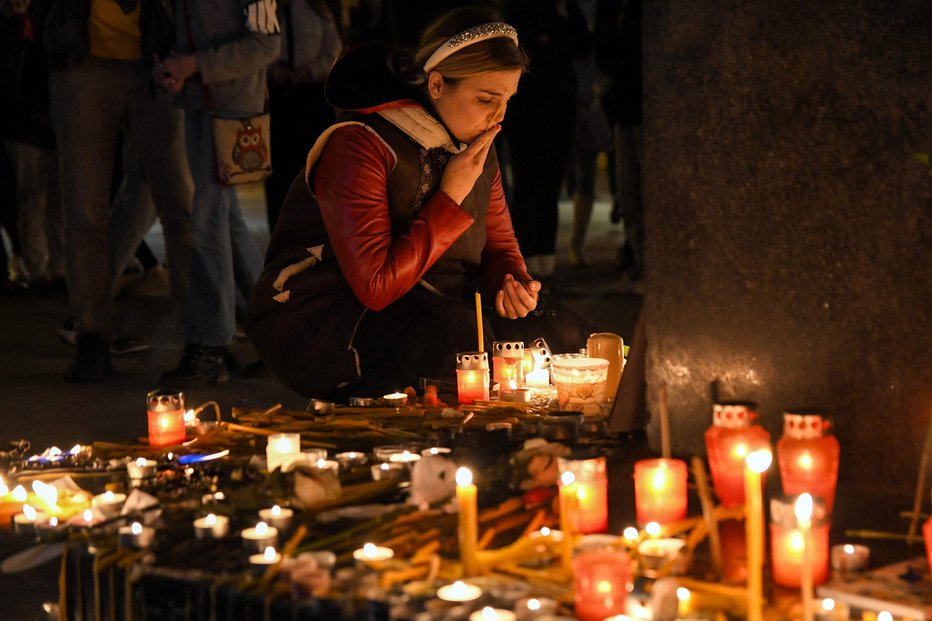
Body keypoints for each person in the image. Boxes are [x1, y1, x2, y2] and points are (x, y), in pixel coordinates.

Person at [246, 6, 590, 400]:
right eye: (485, 99)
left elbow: (499, 248)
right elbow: (376, 287)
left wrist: (512, 286)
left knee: (564, 334)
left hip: (441, 302)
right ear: (438, 84)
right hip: (335, 319)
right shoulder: (360, 145)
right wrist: (450, 196)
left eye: (508, 100)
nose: (499, 117)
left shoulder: (477, 144)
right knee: (457, 345)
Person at [34, 0, 194, 382]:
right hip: (81, 58)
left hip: (156, 57)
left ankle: (202, 335)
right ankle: (92, 335)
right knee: (83, 211)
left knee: (180, 207)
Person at [155, 0, 281, 386]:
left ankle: (211, 345)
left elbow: (266, 44)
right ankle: (275, 334)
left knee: (210, 222)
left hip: (229, 107)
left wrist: (193, 64)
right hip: (205, 101)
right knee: (225, 223)